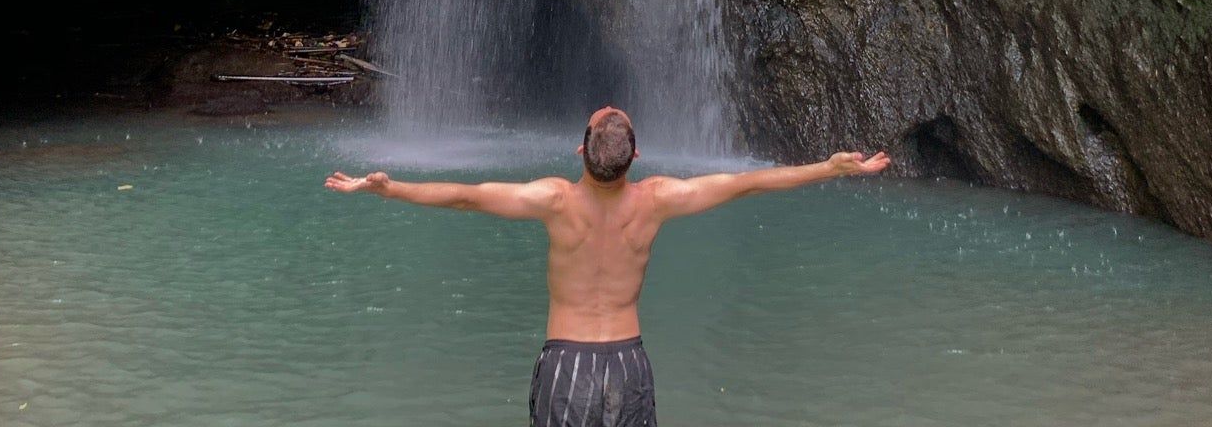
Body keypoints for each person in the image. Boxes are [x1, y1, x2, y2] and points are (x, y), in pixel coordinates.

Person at [325, 105, 891, 426]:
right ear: (635, 158)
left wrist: (389, 188)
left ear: (580, 151)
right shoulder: (657, 200)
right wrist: (830, 167)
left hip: (565, 363)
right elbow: (747, 184)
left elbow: (466, 195)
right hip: (627, 364)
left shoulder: (552, 200)